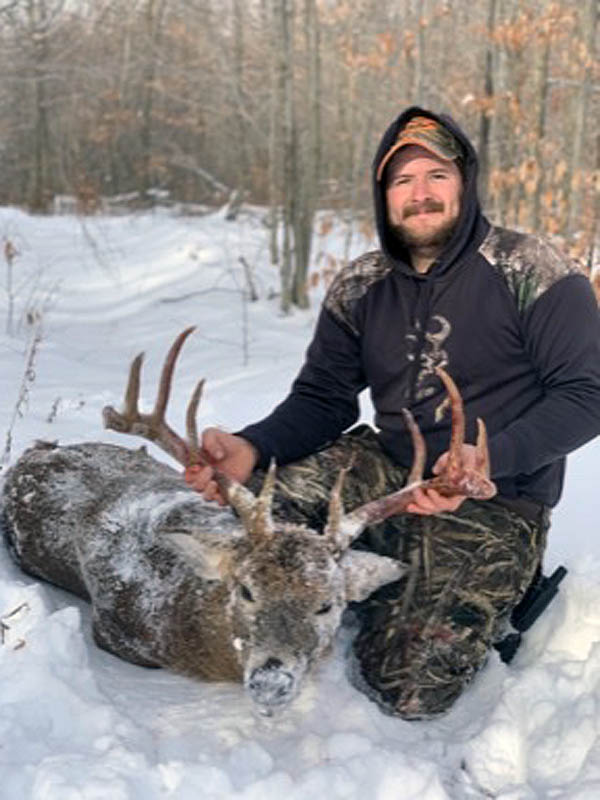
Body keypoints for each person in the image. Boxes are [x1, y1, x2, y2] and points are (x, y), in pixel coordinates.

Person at [186, 108, 600, 719]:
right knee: (261, 526)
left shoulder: (531, 271)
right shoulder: (362, 285)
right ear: (384, 196)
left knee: (407, 692)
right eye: (402, 181)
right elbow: (323, 398)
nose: (420, 193)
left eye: (436, 175)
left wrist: (492, 457)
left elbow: (586, 393)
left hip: (494, 498)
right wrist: (251, 448)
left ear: (465, 183)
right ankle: (313, 610)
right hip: (382, 470)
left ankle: (477, 597)